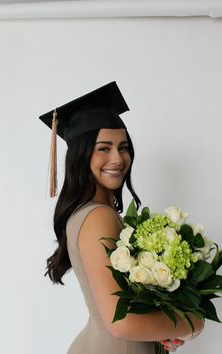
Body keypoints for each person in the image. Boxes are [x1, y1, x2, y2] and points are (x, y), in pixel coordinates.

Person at [39, 82, 204, 354]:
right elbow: (122, 323)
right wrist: (191, 321)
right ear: (81, 154)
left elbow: (126, 311)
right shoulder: (97, 217)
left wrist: (161, 325)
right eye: (104, 148)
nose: (117, 158)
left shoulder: (93, 212)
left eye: (123, 147)